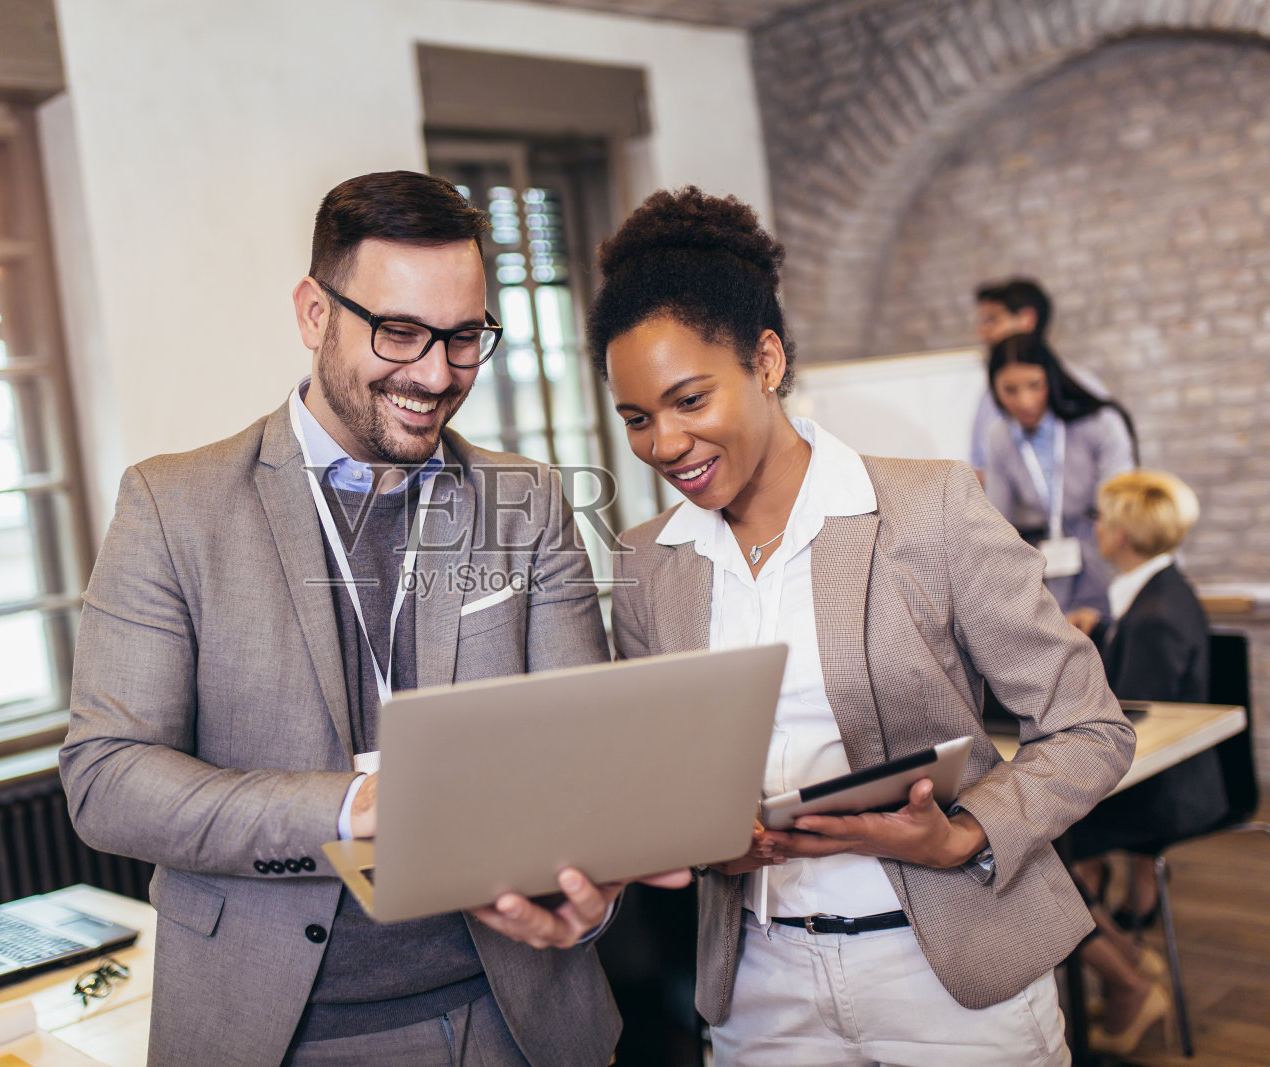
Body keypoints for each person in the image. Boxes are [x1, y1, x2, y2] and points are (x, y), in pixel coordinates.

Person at [60, 170, 683, 1067]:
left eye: (463, 338)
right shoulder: (173, 506)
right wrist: (354, 808)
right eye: (399, 332)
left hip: (516, 1022)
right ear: (314, 313)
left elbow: (578, 756)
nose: (434, 374)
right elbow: (108, 779)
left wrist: (592, 895)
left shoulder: (530, 500)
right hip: (279, 1036)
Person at [587, 187, 1135, 1067]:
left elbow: (1091, 729)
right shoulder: (649, 561)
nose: (665, 443)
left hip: (950, 974)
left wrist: (965, 832)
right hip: (762, 986)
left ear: (766, 360)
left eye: (690, 399)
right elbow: (659, 772)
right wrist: (704, 835)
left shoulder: (930, 508)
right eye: (637, 418)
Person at [1062, 470, 1228, 1055]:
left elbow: (1135, 729)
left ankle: (1129, 982)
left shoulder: (1155, 613)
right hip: (1172, 780)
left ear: (1121, 534)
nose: (1097, 529)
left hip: (1164, 792)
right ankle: (1127, 959)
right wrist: (1104, 631)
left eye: (1102, 520)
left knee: (1036, 855)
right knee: (1046, 844)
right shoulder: (1159, 593)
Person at [982, 332, 1136, 616]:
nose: (1025, 401)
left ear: (1050, 379)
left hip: (1109, 551)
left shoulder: (1099, 422)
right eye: (1010, 390)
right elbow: (997, 520)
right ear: (994, 390)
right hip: (1052, 569)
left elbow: (1119, 504)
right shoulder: (999, 437)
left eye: (1034, 385)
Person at [968, 279, 1108, 483]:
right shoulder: (989, 396)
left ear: (1027, 319)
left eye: (992, 320)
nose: (982, 332)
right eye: (1010, 390)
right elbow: (979, 465)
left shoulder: (1080, 384)